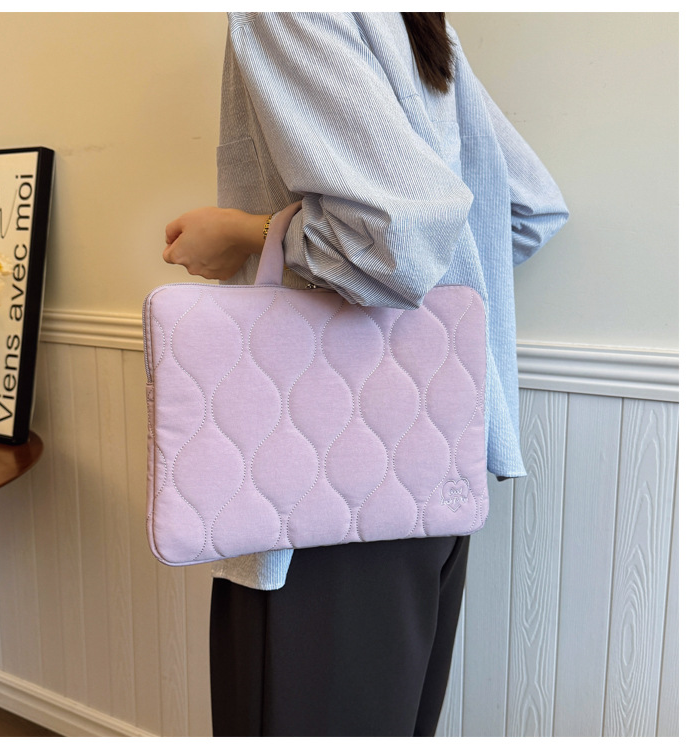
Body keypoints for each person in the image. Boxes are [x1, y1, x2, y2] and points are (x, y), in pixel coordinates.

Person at [163, 12, 568, 737]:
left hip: (312, 486)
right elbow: (529, 211)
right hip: (434, 460)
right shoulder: (416, 24)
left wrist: (251, 235)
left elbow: (397, 240)